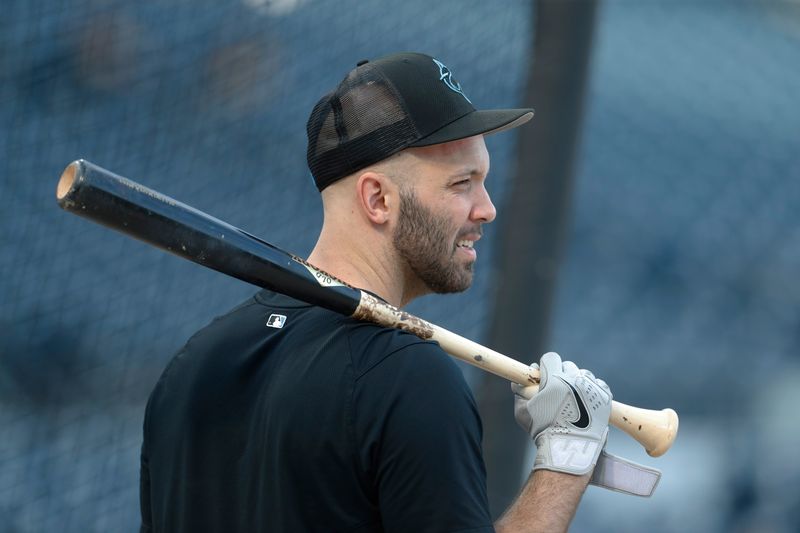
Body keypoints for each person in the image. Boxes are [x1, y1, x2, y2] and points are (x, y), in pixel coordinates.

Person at [139, 52, 614, 533]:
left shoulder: (190, 367)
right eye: (462, 184)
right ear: (378, 199)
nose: (487, 209)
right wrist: (564, 464)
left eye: (483, 182)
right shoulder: (406, 378)